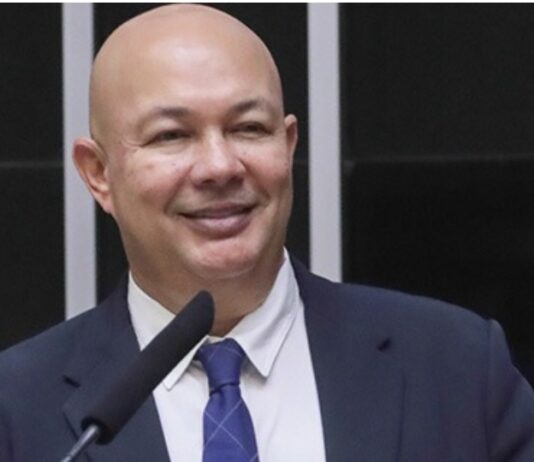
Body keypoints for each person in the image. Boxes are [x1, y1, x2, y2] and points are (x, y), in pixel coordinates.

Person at [1, 4, 534, 461]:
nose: (219, 166)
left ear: (289, 144)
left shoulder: (457, 367)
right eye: (171, 136)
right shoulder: (16, 410)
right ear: (98, 174)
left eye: (248, 128)